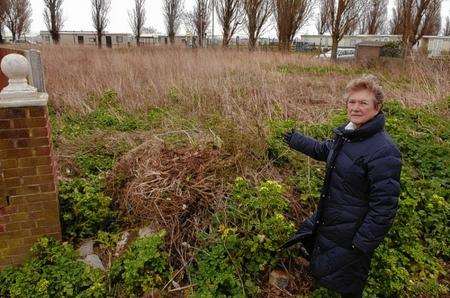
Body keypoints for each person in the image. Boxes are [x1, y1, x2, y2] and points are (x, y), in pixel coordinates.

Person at [281, 75, 402, 297]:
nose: (355, 108)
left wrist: (362, 243)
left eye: (363, 103)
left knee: (346, 284)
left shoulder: (384, 151)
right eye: (351, 102)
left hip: (351, 235)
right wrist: (293, 139)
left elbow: (384, 207)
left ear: (377, 107)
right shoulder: (349, 135)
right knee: (328, 275)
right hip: (332, 223)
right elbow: (326, 151)